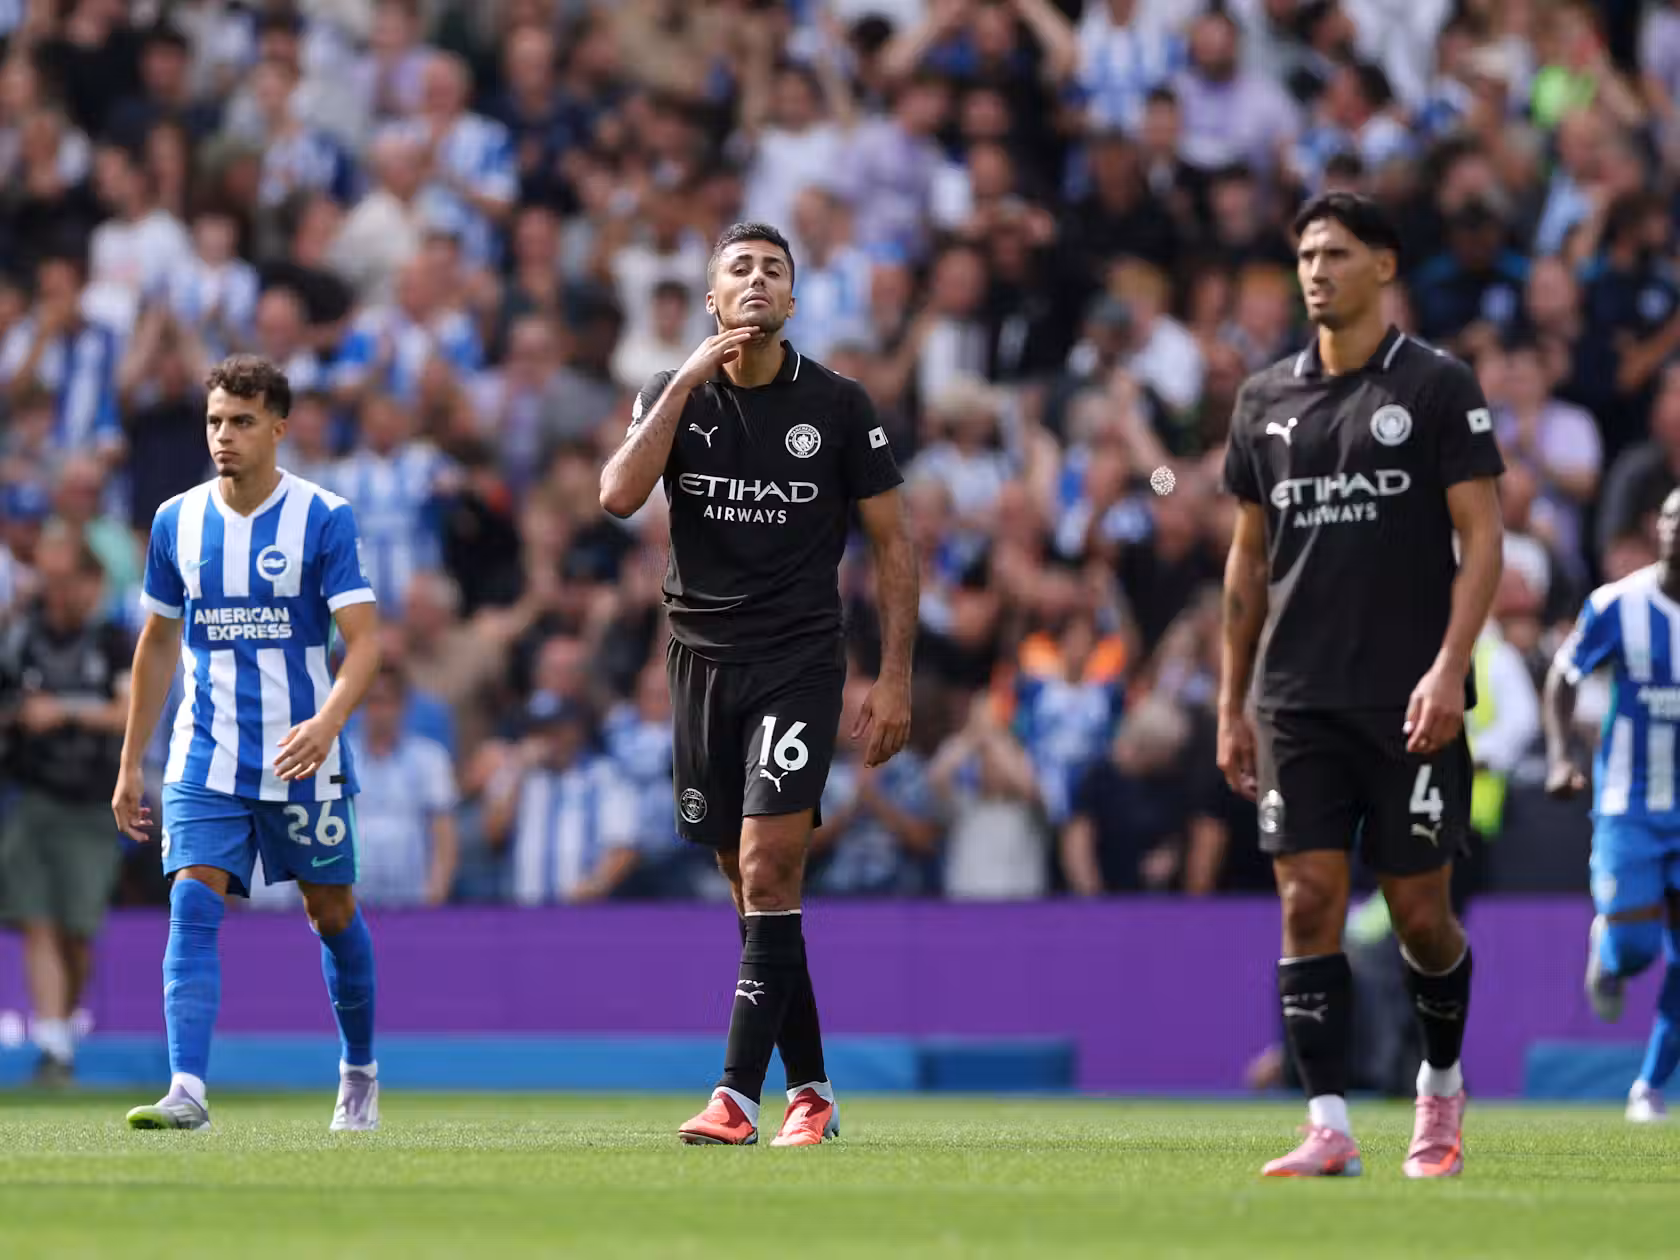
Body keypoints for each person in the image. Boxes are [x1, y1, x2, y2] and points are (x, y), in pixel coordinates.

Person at [599, 221, 916, 1147]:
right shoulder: (673, 394)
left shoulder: (841, 404)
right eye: (738, 269)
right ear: (712, 298)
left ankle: (734, 1097)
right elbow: (618, 495)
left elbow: (896, 547)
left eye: (773, 271)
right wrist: (689, 378)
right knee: (748, 883)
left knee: (773, 865)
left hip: (798, 661)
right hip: (698, 665)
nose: (756, 281)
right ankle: (811, 1090)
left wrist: (895, 679)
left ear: (792, 300)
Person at [1217, 193, 1505, 1178]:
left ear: (1384, 267)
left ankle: (1439, 1089)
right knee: (1307, 900)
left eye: (1335, 253)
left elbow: (1485, 537)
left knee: (1422, 913)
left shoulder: (1433, 386)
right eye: (1304, 254)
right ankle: (1328, 1121)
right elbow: (1247, 564)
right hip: (1296, 699)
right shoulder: (1263, 402)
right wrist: (1231, 701)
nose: (1315, 270)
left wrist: (1450, 666)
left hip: (1408, 699)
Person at [110, 355, 382, 1132]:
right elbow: (158, 644)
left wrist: (328, 723)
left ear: (279, 427)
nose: (224, 436)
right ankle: (187, 1088)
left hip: (304, 755)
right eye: (214, 421)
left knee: (331, 913)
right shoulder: (176, 520)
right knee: (192, 901)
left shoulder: (323, 516)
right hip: (207, 755)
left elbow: (363, 642)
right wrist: (133, 762)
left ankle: (358, 1069)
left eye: (241, 421)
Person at [1543, 487, 1680, 1124]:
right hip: (1629, 803)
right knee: (1637, 950)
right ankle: (1609, 943)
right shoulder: (1617, 605)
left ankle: (1649, 1086)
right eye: (1674, 518)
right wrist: (1560, 756)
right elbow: (1563, 678)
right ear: (1659, 528)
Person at [0, 525, 132, 1085]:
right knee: (38, 920)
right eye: (47, 583)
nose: (54, 595)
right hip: (34, 797)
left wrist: (64, 713)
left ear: (91, 583)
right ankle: (53, 1045)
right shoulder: (21, 639)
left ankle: (62, 1034)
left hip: (94, 802)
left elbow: (129, 714)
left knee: (78, 929)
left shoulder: (115, 642)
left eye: (63, 583)